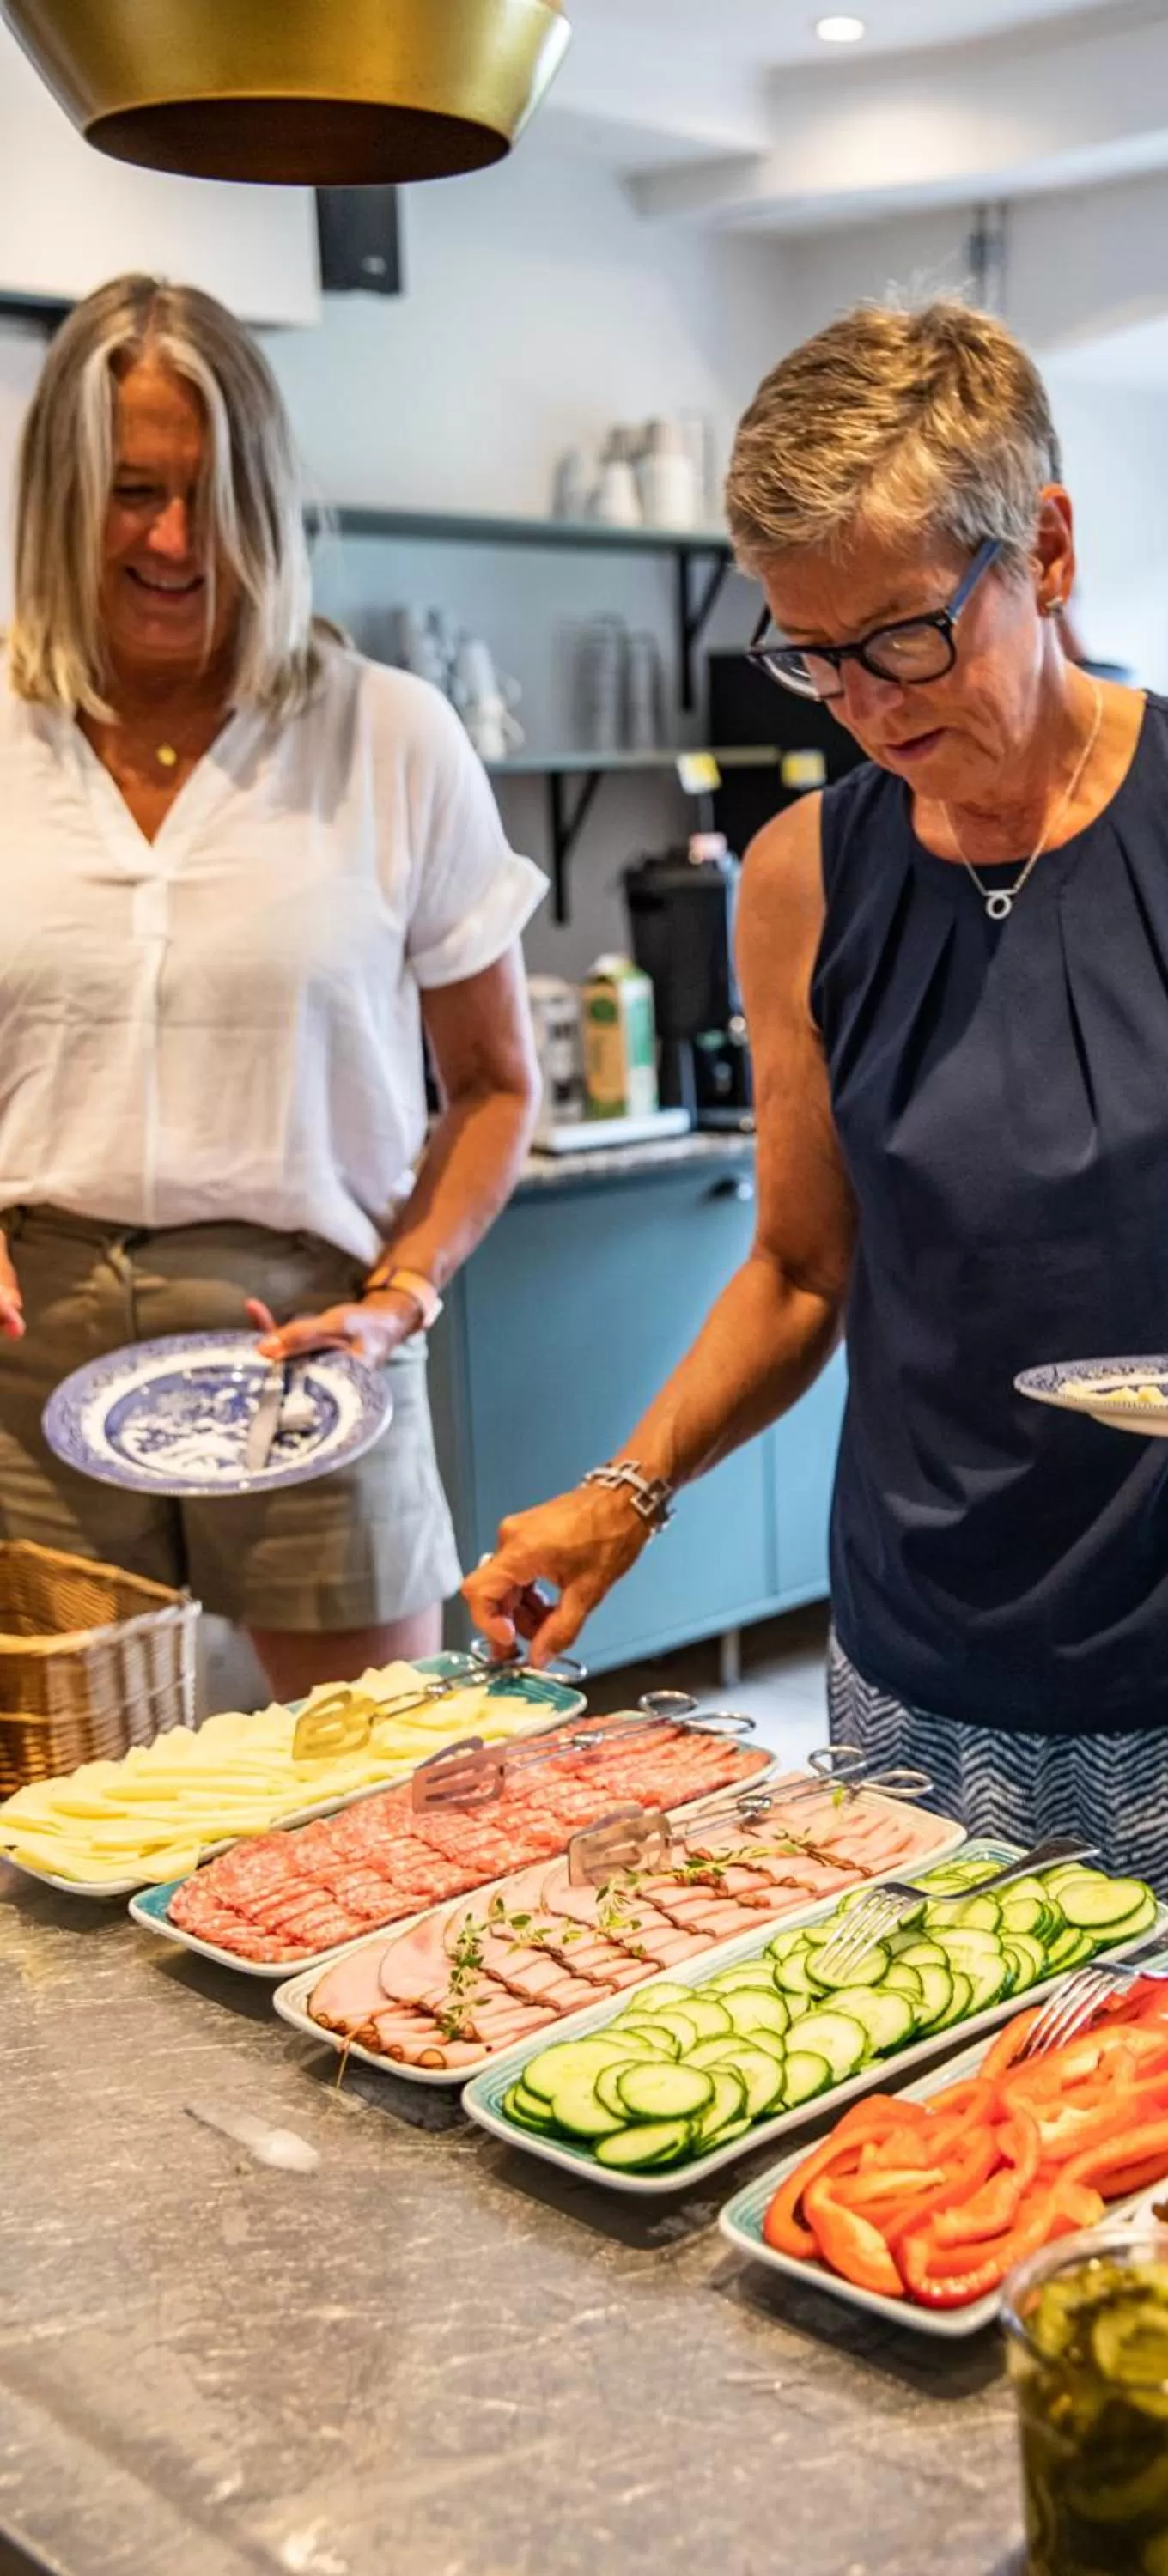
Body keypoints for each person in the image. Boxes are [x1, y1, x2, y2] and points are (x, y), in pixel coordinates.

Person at [464, 300, 1168, 1946]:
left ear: (1048, 550)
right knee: (927, 2100)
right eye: (811, 654)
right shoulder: (803, 879)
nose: (864, 706)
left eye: (903, 637)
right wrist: (630, 1488)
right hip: (917, 1669)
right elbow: (802, 1270)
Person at [0, 275, 544, 1700]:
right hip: (26, 1347)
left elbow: (496, 1085)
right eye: (133, 492)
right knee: (55, 1800)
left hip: (311, 1340)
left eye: (216, 493)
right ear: (59, 497)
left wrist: (404, 1295)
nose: (177, 540)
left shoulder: (391, 735)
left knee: (362, 1782)